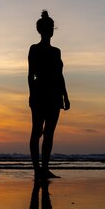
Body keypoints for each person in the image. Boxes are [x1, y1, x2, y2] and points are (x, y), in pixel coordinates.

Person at [28, 10, 70, 180]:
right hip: (39, 93)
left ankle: (44, 168)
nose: (50, 30)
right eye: (48, 27)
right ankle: (37, 169)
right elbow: (31, 74)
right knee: (37, 131)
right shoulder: (34, 49)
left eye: (52, 27)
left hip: (54, 94)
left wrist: (65, 96)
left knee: (49, 132)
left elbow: (60, 75)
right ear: (40, 30)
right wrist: (31, 95)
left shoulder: (56, 52)